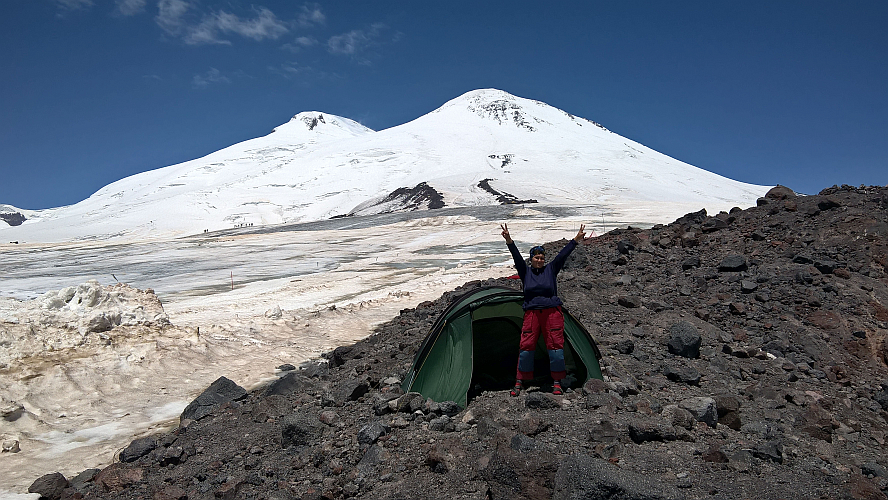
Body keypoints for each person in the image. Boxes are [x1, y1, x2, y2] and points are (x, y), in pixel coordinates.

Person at [500, 222, 587, 396]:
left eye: (542, 258)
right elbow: (516, 256)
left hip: (552, 313)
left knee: (555, 346)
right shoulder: (525, 272)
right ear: (531, 258)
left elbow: (563, 255)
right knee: (526, 346)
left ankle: (557, 381)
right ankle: (520, 381)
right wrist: (509, 240)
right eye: (536, 257)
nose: (539, 260)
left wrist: (575, 240)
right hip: (532, 313)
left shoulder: (551, 269)